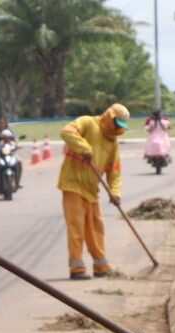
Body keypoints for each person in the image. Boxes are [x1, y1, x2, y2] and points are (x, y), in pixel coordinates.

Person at [57, 104, 128, 280]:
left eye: (121, 126)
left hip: (91, 189)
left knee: (96, 227)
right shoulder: (88, 123)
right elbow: (66, 132)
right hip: (72, 184)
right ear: (108, 116)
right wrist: (84, 148)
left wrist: (115, 192)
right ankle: (77, 267)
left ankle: (101, 265)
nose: (118, 128)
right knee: (76, 226)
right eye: (117, 123)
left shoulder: (113, 143)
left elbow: (115, 171)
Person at [0, 128, 22, 192]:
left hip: (12, 156)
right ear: (2, 136)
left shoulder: (12, 142)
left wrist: (18, 146)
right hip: (1, 156)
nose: (7, 138)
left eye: (8, 137)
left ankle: (17, 181)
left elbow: (17, 145)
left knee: (19, 162)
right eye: (5, 137)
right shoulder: (0, 142)